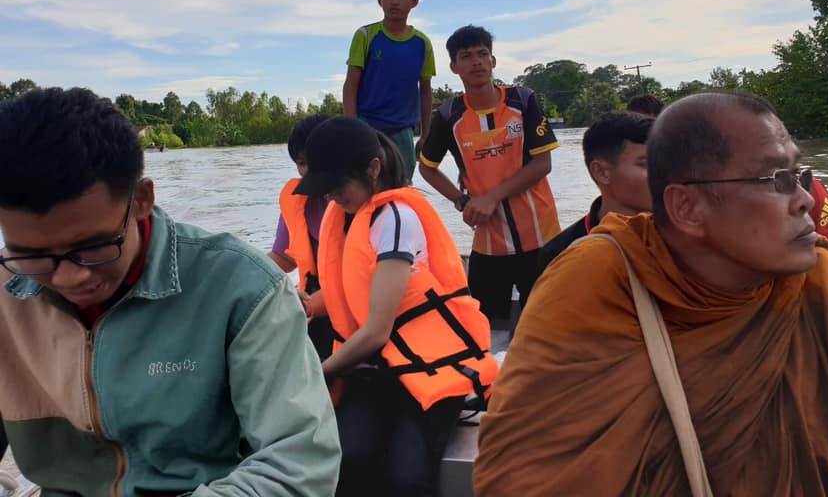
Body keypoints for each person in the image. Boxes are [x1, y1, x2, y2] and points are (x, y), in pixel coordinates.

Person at [474, 92, 828, 496]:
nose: (808, 200)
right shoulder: (595, 281)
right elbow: (524, 474)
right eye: (775, 180)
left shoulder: (826, 286)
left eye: (801, 175)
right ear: (686, 207)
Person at [0, 88, 340, 496]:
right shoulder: (5, 297)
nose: (69, 278)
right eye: (32, 256)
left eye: (92, 248)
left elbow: (299, 465)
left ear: (142, 200)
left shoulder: (243, 290)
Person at [294, 117, 499, 497]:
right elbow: (346, 293)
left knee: (406, 475)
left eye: (336, 186)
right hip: (375, 369)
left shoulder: (397, 218)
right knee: (347, 458)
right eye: (324, 189)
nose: (331, 198)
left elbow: (376, 330)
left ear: (373, 169)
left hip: (429, 370)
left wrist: (315, 374)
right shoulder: (348, 219)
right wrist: (301, 304)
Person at [419, 25, 561, 325]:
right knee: (484, 328)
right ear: (454, 67)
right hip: (489, 241)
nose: (477, 62)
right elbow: (427, 168)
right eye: (467, 56)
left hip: (541, 235)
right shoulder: (448, 115)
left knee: (550, 323)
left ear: (493, 61)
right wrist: (462, 201)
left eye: (483, 54)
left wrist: (492, 197)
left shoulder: (523, 101)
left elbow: (542, 163)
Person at [343, 0, 436, 182]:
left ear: (414, 1)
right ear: (379, 0)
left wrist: (426, 134)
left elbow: (425, 90)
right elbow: (351, 85)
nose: (394, 2)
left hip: (403, 129)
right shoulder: (365, 36)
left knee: (402, 186)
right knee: (364, 183)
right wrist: (351, 128)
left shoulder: (422, 43)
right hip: (366, 125)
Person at [537, 111, 653, 275]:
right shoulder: (562, 254)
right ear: (602, 172)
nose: (664, 173)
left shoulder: (685, 236)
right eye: (647, 165)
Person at [267, 113, 335, 357]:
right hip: (314, 302)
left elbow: (360, 282)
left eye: (317, 160)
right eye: (302, 162)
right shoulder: (298, 201)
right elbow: (282, 259)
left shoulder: (355, 200)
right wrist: (244, 269)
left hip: (352, 304)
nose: (309, 170)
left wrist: (305, 306)